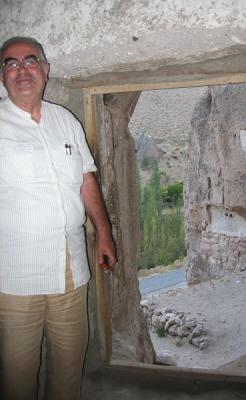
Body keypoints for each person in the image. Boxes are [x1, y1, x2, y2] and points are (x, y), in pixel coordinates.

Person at [0, 36, 117, 400]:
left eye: (30, 60)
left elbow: (86, 177)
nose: (22, 69)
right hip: (14, 276)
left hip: (71, 269)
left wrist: (104, 232)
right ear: (1, 75)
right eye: (11, 63)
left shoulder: (65, 121)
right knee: (17, 376)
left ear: (45, 71)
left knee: (69, 366)